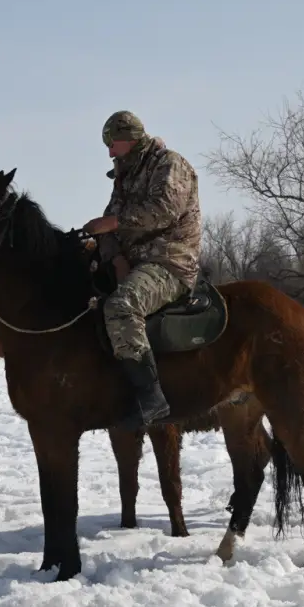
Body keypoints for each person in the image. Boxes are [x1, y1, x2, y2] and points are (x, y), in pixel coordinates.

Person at [83, 111, 202, 431]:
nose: (109, 152)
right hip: (133, 262)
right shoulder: (124, 174)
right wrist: (116, 258)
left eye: (112, 144)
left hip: (169, 262)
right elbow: (108, 229)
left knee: (122, 306)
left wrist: (114, 223)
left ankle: (150, 396)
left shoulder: (170, 164)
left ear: (130, 138)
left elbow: (165, 211)